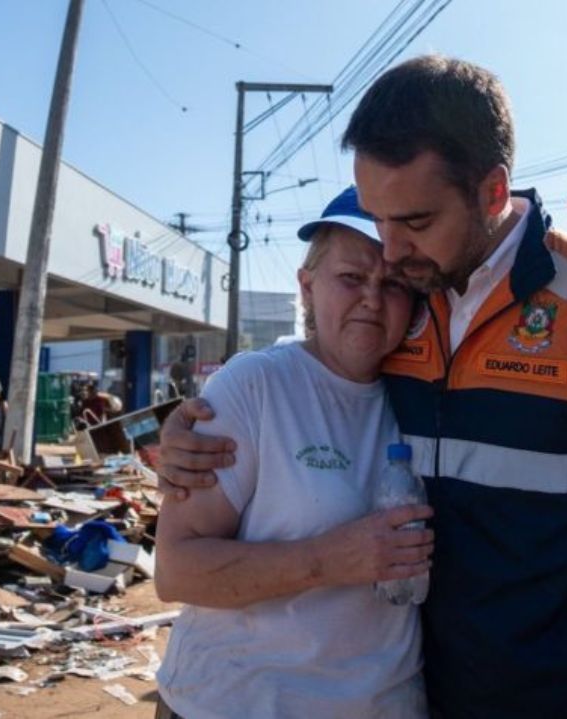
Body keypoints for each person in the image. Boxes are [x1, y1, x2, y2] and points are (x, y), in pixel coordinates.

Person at [162, 55, 567, 717]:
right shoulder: (410, 306)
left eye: (413, 222)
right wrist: (191, 425)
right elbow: (311, 385)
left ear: (492, 193)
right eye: (375, 218)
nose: (387, 253)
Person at [154, 186, 431, 718]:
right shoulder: (256, 387)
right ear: (307, 287)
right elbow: (176, 570)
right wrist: (326, 560)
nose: (372, 297)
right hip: (234, 704)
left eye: (394, 283)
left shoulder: (424, 400)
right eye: (351, 278)